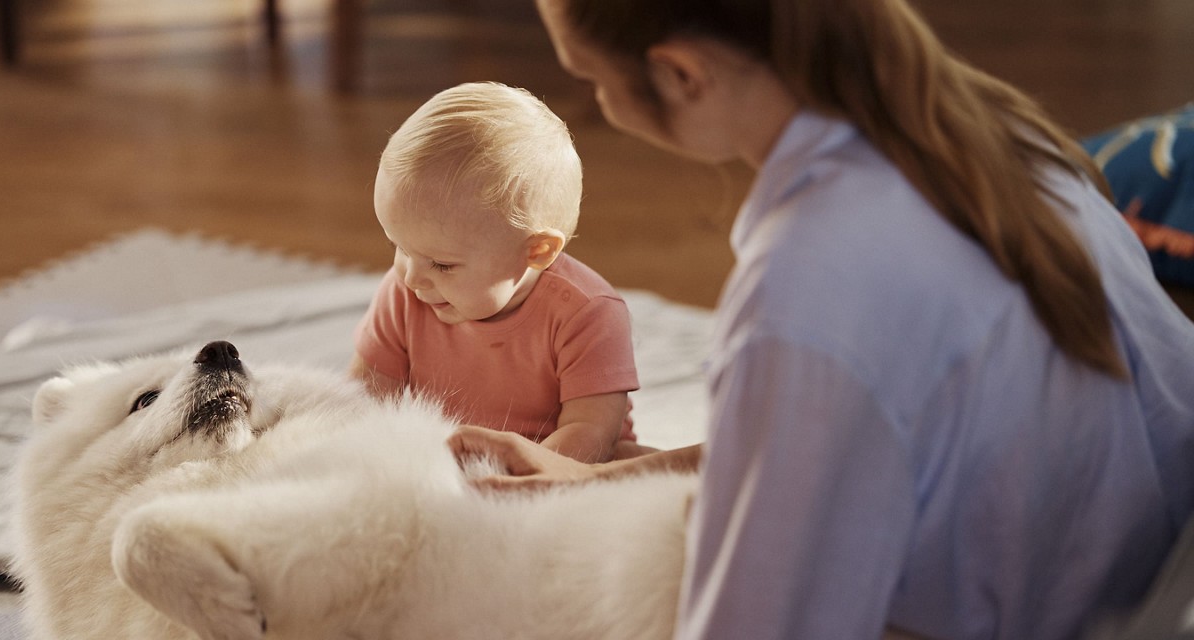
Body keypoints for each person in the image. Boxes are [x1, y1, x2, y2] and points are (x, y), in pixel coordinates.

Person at [448, 1, 1194, 638]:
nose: (596, 101)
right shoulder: (985, 130)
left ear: (681, 74)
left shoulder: (811, 288)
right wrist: (596, 480)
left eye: (590, 79)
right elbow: (850, 429)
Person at [351, 81, 642, 464]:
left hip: (565, 465)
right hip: (447, 457)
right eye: (400, 248)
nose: (411, 277)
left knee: (641, 474)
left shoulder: (588, 314)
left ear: (537, 251)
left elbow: (589, 434)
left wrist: (513, 478)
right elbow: (365, 396)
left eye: (442, 264)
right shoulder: (407, 292)